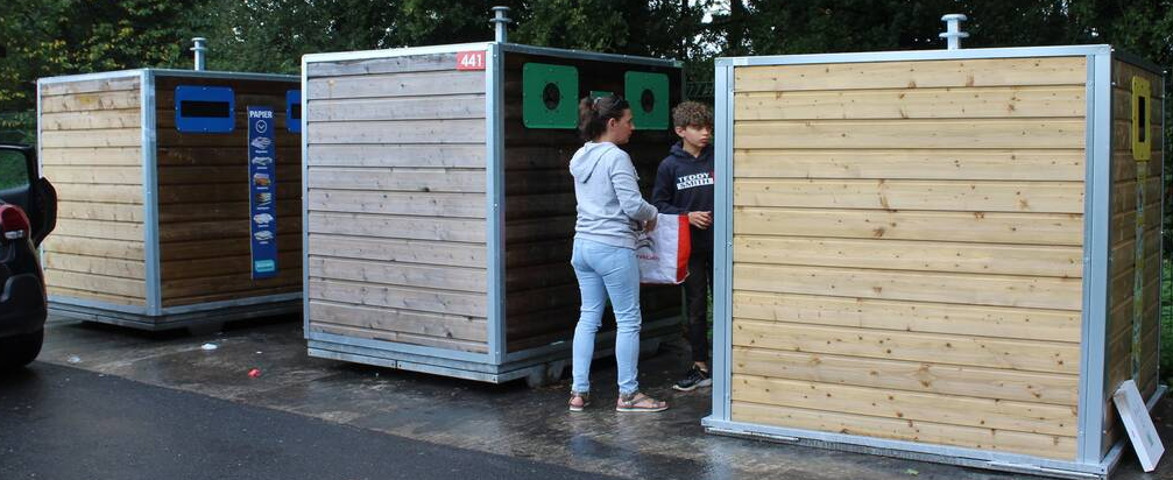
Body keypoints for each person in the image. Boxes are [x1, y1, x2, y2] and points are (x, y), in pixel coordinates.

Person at [567, 95, 668, 413]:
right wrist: (652, 213)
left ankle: (578, 392)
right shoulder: (616, 157)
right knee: (628, 320)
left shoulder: (580, 156)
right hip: (612, 247)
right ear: (612, 124)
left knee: (588, 317)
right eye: (629, 121)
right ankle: (628, 395)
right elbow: (632, 205)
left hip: (582, 245)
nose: (633, 127)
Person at [651, 101, 715, 392]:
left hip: (724, 246)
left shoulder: (719, 158)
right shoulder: (670, 165)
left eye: (708, 128)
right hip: (691, 249)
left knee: (730, 304)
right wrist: (687, 217)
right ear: (680, 131)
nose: (705, 133)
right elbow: (659, 206)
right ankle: (701, 367)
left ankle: (732, 363)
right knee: (697, 308)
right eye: (698, 128)